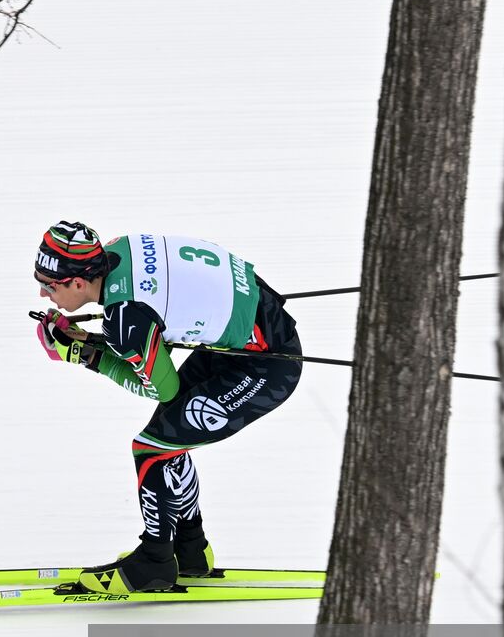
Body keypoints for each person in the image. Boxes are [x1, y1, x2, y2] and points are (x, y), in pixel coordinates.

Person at [33, 220, 304, 594]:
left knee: (151, 448)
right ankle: (191, 551)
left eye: (49, 285)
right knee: (167, 437)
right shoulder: (120, 248)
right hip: (247, 335)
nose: (44, 294)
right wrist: (97, 340)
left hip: (266, 365)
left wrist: (83, 354)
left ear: (79, 283)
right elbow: (156, 330)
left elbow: (159, 387)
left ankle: (155, 561)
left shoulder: (123, 315)